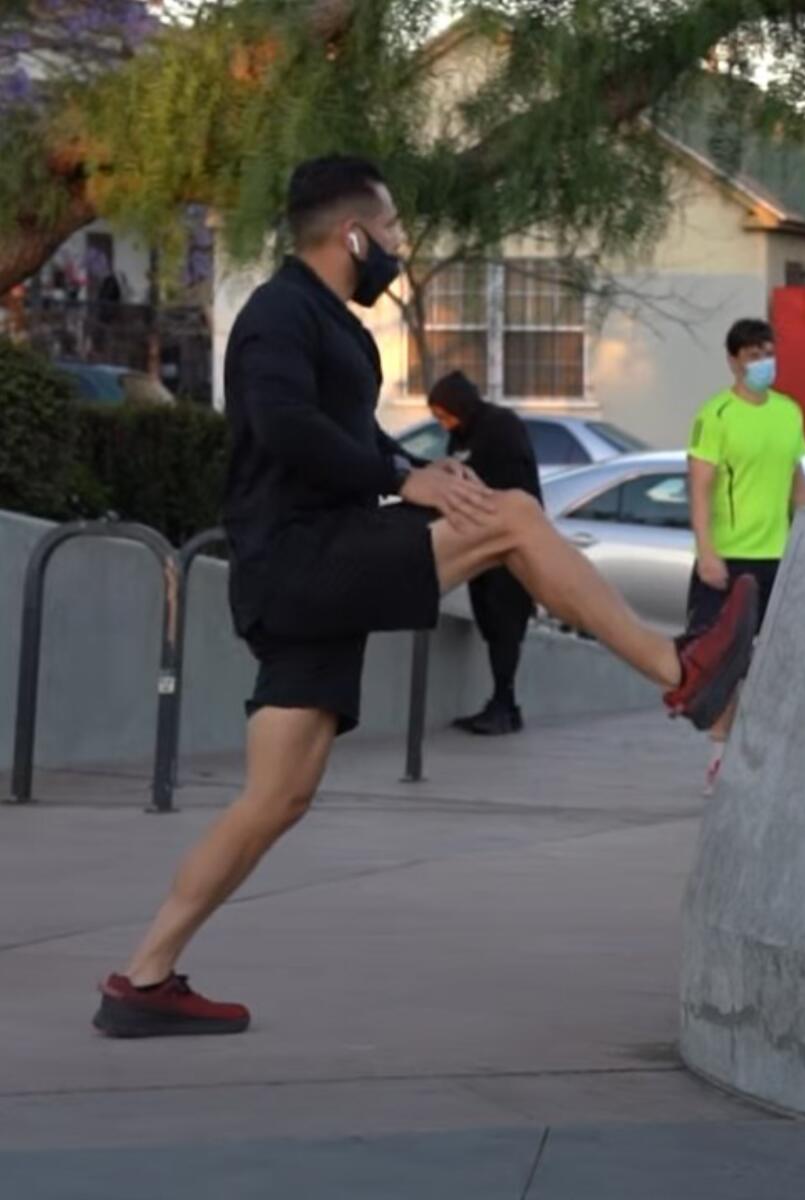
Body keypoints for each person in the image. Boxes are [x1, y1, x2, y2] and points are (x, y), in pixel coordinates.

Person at [90, 155, 759, 1038]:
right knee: (515, 516)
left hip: (308, 568)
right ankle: (680, 670)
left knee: (276, 797)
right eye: (394, 232)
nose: (401, 248)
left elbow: (348, 431)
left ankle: (142, 978)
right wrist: (397, 484)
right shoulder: (276, 317)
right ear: (353, 235)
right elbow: (284, 425)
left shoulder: (334, 324)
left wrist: (414, 469)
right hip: (299, 560)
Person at [687, 318, 805, 795]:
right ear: (734, 360)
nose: (764, 363)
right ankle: (720, 757)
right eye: (754, 355)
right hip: (731, 558)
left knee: (777, 660)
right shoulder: (715, 415)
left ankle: (768, 755)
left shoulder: (789, 412)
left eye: (768, 352)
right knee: (724, 661)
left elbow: (797, 483)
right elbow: (699, 488)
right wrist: (707, 552)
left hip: (778, 556)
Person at [428, 369, 541, 735]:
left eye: (446, 416)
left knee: (506, 624)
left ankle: (504, 704)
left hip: (509, 544)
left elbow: (504, 483)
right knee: (491, 623)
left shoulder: (500, 428)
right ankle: (501, 703)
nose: (444, 426)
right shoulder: (463, 436)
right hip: (479, 545)